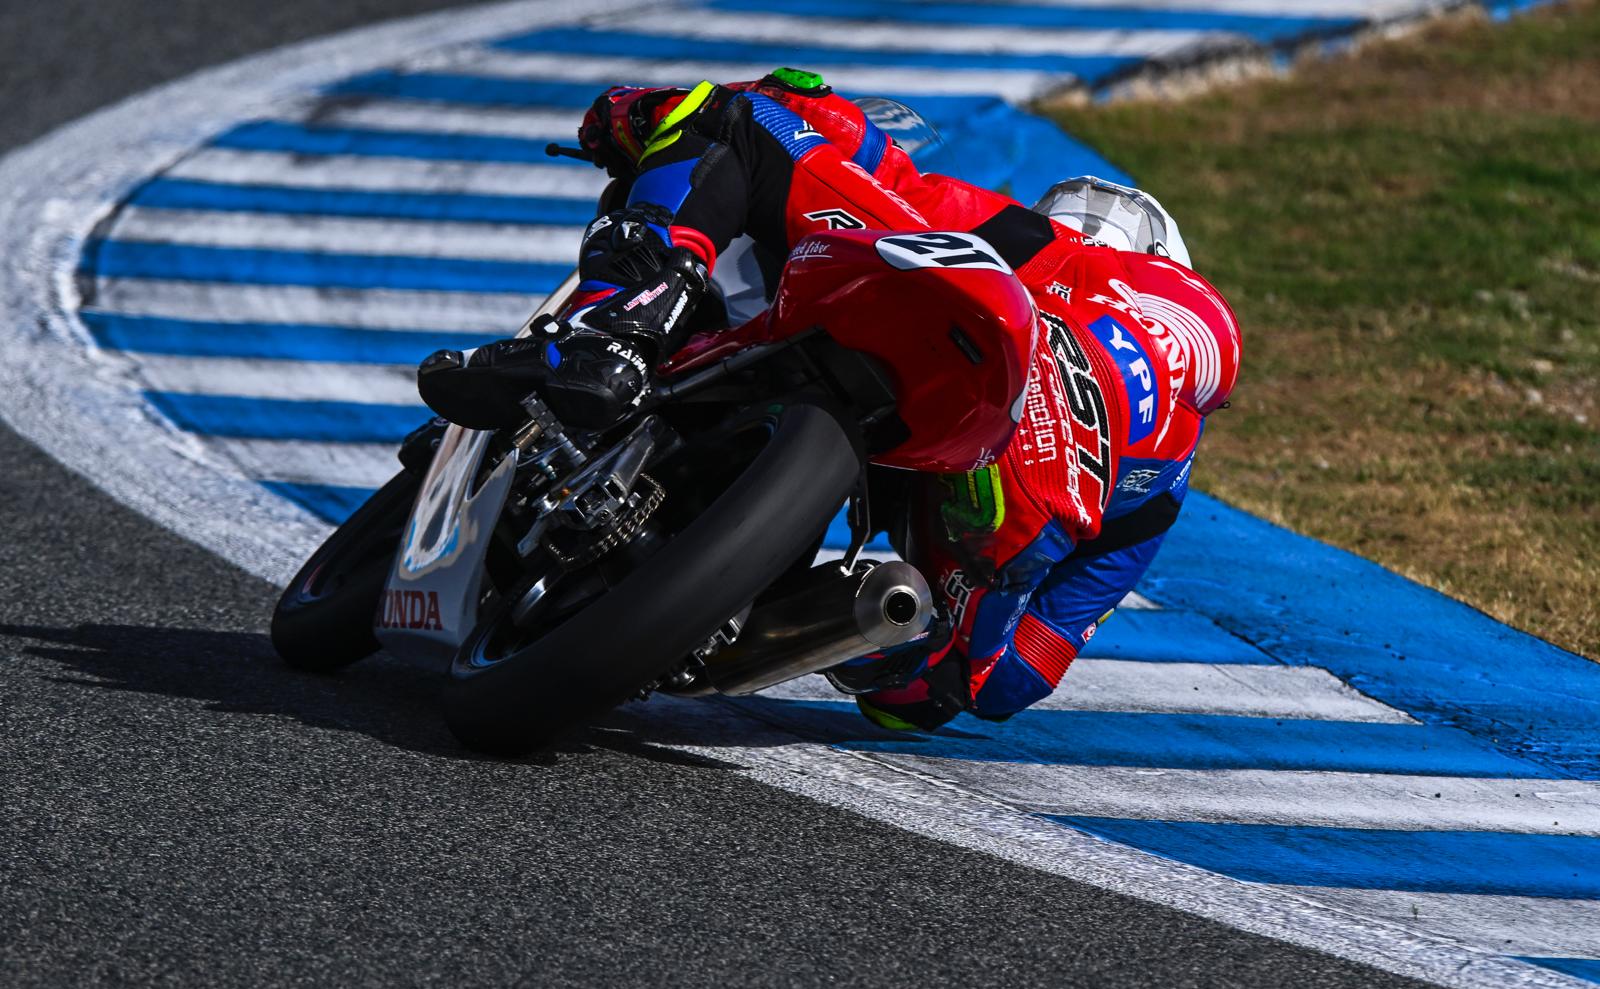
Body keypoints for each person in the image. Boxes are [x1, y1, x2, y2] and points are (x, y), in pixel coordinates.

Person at [417, 68, 1241, 733]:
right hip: (1005, 518)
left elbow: (849, 150)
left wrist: (624, 119)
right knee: (932, 681)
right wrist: (909, 672)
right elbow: (1018, 674)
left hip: (996, 403)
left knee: (747, 117)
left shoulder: (1034, 238)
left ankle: (615, 329)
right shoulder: (1172, 461)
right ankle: (797, 613)